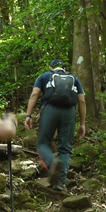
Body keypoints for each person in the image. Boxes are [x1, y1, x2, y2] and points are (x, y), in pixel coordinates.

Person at [24, 58, 86, 191]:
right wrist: (82, 124)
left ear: (50, 68)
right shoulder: (74, 78)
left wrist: (28, 115)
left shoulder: (45, 76)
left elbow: (35, 93)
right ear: (64, 68)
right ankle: (60, 183)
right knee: (65, 149)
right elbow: (82, 101)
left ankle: (52, 163)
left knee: (42, 143)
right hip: (69, 112)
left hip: (49, 109)